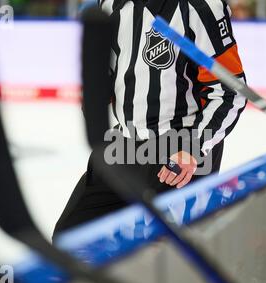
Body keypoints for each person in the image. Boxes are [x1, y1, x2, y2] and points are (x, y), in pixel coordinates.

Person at [52, 0, 247, 241]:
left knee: (163, 254)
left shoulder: (201, 6)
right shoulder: (110, 4)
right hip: (123, 145)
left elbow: (230, 92)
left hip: (179, 152)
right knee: (71, 239)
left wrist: (193, 149)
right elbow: (108, 73)